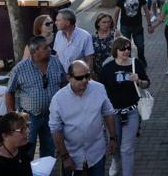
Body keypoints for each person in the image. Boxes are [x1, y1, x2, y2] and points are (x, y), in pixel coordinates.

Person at [50, 60, 117, 176]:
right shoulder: (58, 100)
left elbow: (108, 113)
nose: (85, 80)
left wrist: (113, 138)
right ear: (69, 77)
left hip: (97, 153)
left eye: (87, 76)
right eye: (80, 77)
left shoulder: (99, 89)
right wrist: (65, 157)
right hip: (72, 156)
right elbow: (55, 130)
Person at [6, 36, 66, 160]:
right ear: (35, 51)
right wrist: (12, 115)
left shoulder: (56, 62)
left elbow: (64, 83)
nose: (50, 49)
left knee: (49, 148)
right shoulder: (20, 69)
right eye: (45, 48)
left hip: (52, 115)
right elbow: (9, 92)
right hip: (29, 118)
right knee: (27, 149)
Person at [99, 37, 149, 176]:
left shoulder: (135, 63)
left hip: (131, 112)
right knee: (115, 143)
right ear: (116, 50)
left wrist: (138, 80)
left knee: (127, 148)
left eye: (128, 48)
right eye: (123, 49)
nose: (126, 51)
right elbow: (100, 90)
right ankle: (116, 161)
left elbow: (147, 83)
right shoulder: (107, 68)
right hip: (112, 114)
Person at [113, 0, 151, 69]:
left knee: (140, 46)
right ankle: (128, 62)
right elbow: (116, 12)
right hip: (125, 27)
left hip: (138, 26)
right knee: (125, 47)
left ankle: (141, 59)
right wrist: (114, 27)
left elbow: (146, 10)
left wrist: (149, 24)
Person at [92, 13, 122, 78]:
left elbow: (122, 48)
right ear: (98, 23)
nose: (107, 24)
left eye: (109, 22)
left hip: (114, 68)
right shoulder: (92, 37)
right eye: (104, 22)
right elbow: (90, 56)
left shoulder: (115, 33)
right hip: (98, 70)